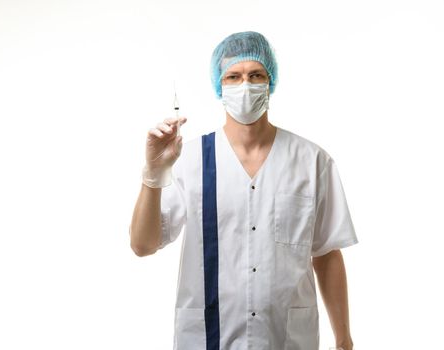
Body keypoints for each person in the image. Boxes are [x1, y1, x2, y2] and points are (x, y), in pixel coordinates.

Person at [130, 31, 358, 350]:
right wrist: (153, 175)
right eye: (233, 77)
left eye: (256, 75)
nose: (245, 85)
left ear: (271, 81)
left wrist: (344, 341)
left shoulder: (311, 161)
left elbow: (327, 254)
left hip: (288, 339)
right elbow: (142, 244)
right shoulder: (191, 160)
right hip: (208, 339)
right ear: (219, 86)